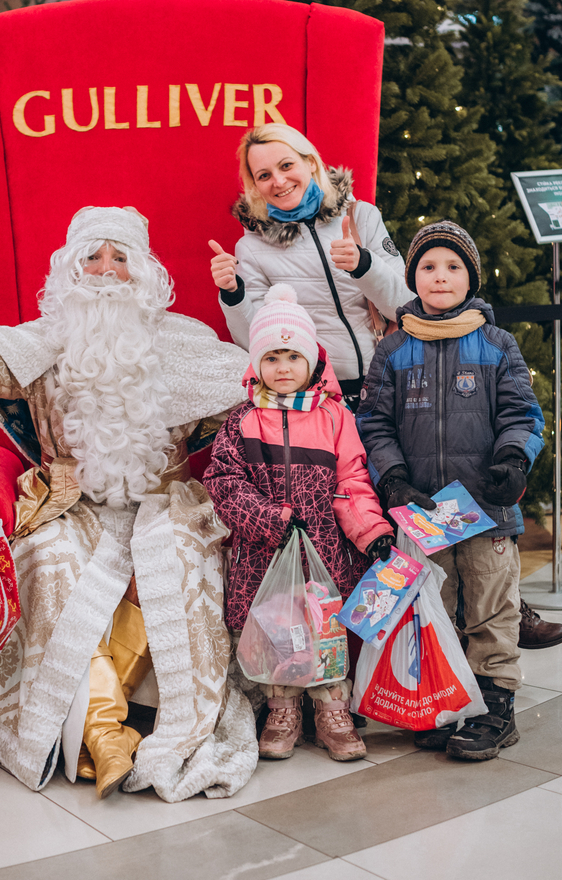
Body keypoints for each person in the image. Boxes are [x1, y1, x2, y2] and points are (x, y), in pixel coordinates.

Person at [0, 179, 258, 802]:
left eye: (121, 257)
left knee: (180, 559)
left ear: (143, 272)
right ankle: (101, 733)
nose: (106, 269)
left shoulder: (185, 340)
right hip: (70, 504)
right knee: (49, 561)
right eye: (93, 256)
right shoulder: (45, 340)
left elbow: (263, 377)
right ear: (71, 268)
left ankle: (166, 725)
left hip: (164, 504)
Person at [356, 221, 545, 760]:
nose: (440, 276)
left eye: (453, 266)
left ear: (471, 279)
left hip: (487, 507)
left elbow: (521, 414)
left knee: (491, 606)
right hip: (422, 513)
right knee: (433, 609)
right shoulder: (394, 348)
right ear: (413, 277)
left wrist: (513, 461)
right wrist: (393, 478)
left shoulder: (497, 345)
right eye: (428, 266)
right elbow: (374, 422)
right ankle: (447, 699)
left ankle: (495, 704)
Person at [203, 284, 395, 762]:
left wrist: (372, 533)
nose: (283, 367)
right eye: (272, 357)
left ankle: (332, 711)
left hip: (325, 551)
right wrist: (269, 519)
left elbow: (352, 482)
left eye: (293, 356)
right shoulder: (243, 421)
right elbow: (223, 482)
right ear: (257, 363)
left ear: (312, 360)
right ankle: (282, 710)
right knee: (279, 634)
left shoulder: (335, 417)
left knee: (324, 631)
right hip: (265, 555)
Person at [208, 123, 413, 410]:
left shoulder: (361, 217)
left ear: (311, 162)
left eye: (286, 165)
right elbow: (255, 341)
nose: (279, 181)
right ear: (255, 185)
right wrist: (232, 293)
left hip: (388, 384)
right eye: (264, 175)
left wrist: (364, 266)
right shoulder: (251, 248)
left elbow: (407, 308)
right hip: (318, 398)